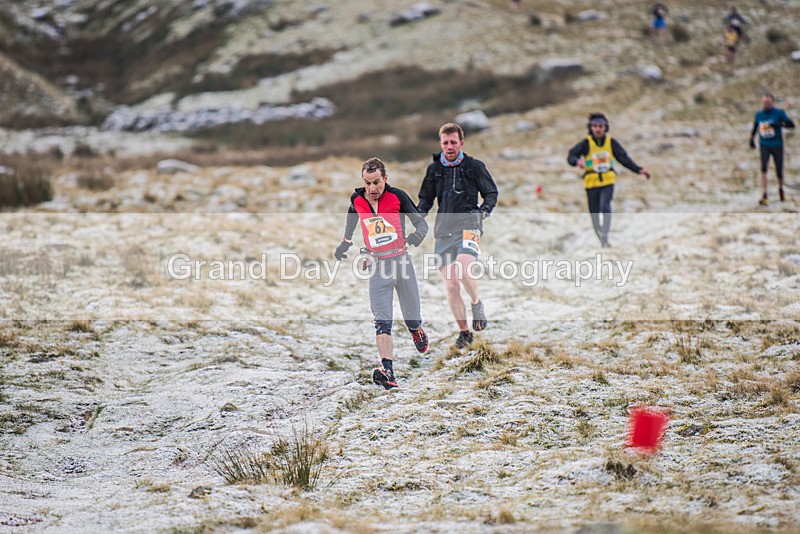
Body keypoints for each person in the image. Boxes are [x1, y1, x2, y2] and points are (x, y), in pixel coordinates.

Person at [333, 157, 429, 390]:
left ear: (385, 178)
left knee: (411, 317)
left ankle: (416, 330)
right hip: (377, 266)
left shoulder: (398, 196)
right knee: (382, 322)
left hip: (402, 263)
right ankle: (389, 372)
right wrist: (345, 243)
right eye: (367, 183)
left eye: (376, 182)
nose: (372, 189)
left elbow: (422, 225)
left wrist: (416, 237)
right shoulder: (357, 199)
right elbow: (351, 219)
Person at [417, 122, 498, 350]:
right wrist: (416, 215)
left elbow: (491, 192)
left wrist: (483, 211)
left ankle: (476, 302)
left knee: (463, 268)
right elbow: (426, 200)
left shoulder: (474, 166)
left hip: (469, 227)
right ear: (440, 144)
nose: (449, 146)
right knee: (451, 285)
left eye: (453, 142)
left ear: (461, 143)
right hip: (444, 231)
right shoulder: (434, 170)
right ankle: (464, 332)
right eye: (445, 142)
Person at [567, 113, 652, 247]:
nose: (598, 129)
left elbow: (623, 158)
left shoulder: (611, 143)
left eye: (600, 126)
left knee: (605, 206)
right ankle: (603, 240)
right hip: (591, 182)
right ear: (590, 128)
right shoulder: (585, 144)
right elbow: (571, 156)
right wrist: (577, 161)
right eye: (595, 126)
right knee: (594, 214)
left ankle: (605, 235)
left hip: (608, 180)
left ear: (605, 127)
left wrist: (638, 169)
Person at [749, 93, 795, 205]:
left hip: (777, 145)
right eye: (764, 102)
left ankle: (781, 189)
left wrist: (779, 125)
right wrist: (751, 139)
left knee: (779, 170)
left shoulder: (779, 113)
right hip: (764, 145)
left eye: (768, 102)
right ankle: (764, 194)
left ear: (772, 102)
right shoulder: (759, 114)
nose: (766, 104)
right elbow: (755, 127)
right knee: (763, 169)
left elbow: (791, 125)